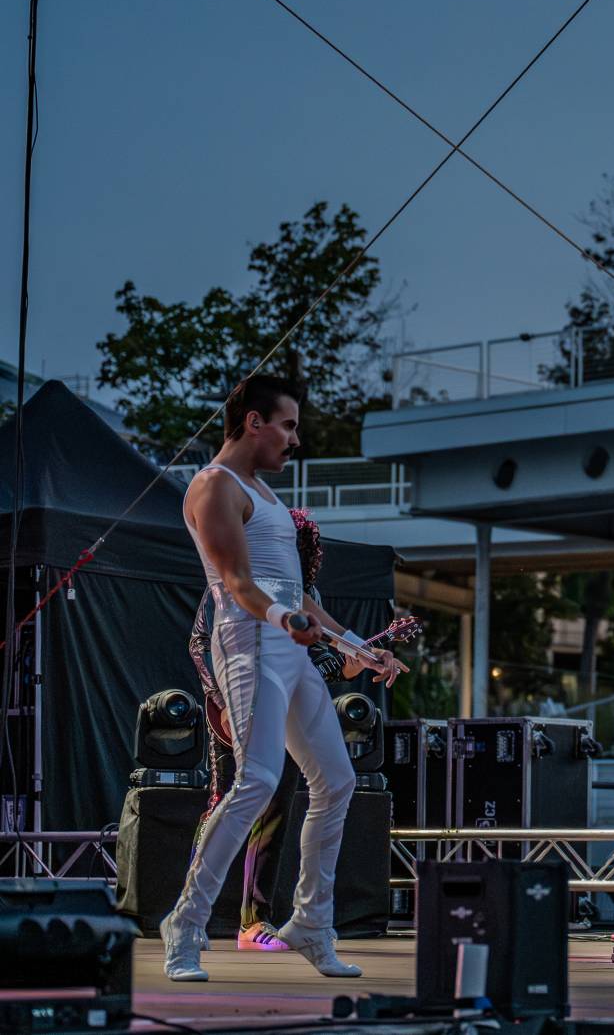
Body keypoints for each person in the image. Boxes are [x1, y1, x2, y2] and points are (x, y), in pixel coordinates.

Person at [161, 374, 402, 982]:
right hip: (248, 644)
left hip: (286, 645)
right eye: (289, 425)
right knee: (258, 780)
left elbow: (301, 597)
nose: (295, 439)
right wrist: (283, 616)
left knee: (337, 780)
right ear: (253, 422)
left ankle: (311, 923)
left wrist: (358, 648)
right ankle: (185, 924)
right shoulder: (213, 485)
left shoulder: (264, 494)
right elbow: (238, 584)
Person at [189, 507, 365, 952]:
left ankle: (256, 921)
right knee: (230, 804)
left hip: (283, 707)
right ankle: (190, 914)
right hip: (237, 706)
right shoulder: (229, 582)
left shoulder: (305, 594)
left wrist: (352, 659)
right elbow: (200, 642)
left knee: (278, 808)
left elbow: (318, 658)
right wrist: (221, 700)